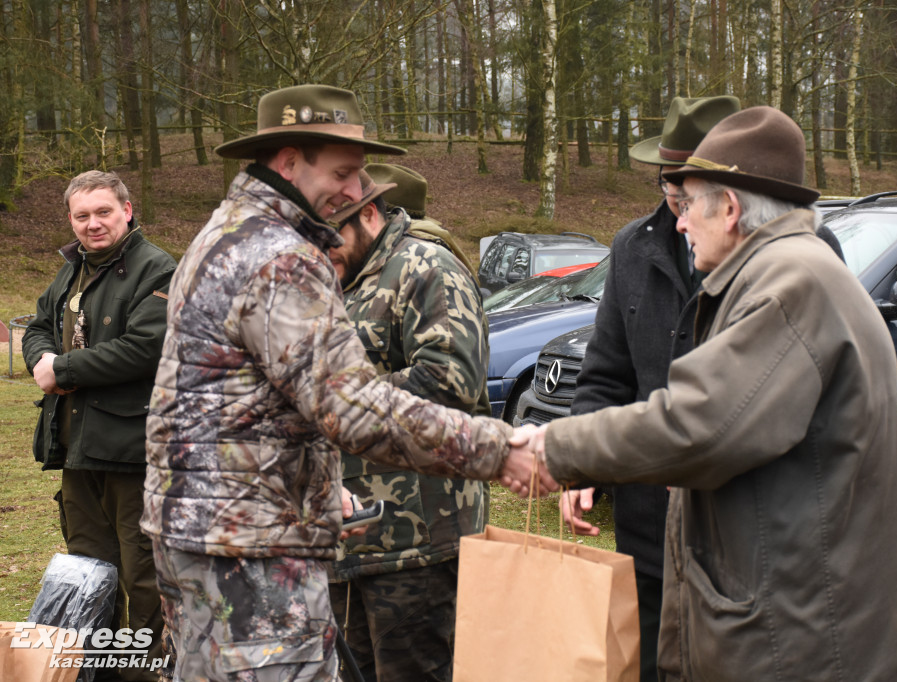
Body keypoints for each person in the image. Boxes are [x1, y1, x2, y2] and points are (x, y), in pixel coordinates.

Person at [140, 84, 552, 682]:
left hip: (208, 536)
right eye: (344, 172)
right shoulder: (283, 256)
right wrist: (501, 449)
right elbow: (350, 406)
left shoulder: (222, 235)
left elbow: (240, 404)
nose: (356, 192)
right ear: (287, 160)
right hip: (254, 549)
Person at [525, 107, 897, 681]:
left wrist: (551, 449)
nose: (679, 222)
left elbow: (698, 428)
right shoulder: (784, 271)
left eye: (689, 206)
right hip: (779, 610)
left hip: (798, 638)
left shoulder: (789, 285)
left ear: (730, 209)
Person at [559, 95, 739, 682]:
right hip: (647, 524)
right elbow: (605, 375)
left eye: (687, 189)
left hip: (736, 527)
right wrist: (579, 463)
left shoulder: (784, 261)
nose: (675, 205)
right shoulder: (631, 248)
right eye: (667, 185)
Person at [326, 165, 489, 682]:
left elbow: (450, 381)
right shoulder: (339, 278)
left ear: (368, 213)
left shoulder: (425, 268)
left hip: (417, 540)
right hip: (345, 537)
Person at [23, 170, 175, 682]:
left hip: (133, 453)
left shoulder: (158, 269)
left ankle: (147, 675)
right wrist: (43, 358)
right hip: (76, 448)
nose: (93, 224)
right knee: (89, 574)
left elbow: (146, 347)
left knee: (143, 577)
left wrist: (62, 371)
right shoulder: (71, 270)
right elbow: (39, 324)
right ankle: (95, 674)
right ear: (71, 219)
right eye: (82, 215)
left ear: (127, 211)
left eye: (103, 212)